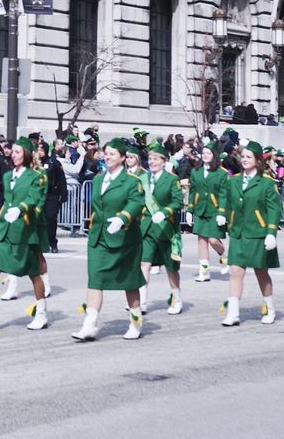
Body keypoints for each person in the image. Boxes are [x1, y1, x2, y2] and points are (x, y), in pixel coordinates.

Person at [0, 137, 48, 332]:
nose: (13, 155)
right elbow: (7, 198)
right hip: (6, 228)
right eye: (12, 152)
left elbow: (33, 198)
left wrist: (21, 209)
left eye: (18, 152)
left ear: (27, 154)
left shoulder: (35, 176)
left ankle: (41, 313)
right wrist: (4, 212)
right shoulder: (7, 176)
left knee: (34, 275)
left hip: (24, 230)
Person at [73, 138, 146, 342]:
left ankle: (135, 322)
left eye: (112, 153)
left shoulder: (132, 181)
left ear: (123, 158)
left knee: (129, 282)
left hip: (125, 239)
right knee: (95, 279)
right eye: (106, 152)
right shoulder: (98, 179)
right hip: (99, 237)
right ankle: (89, 325)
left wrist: (123, 218)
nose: (107, 156)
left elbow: (137, 202)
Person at [220, 146, 281, 326]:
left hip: (258, 234)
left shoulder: (267, 183)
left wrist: (271, 233)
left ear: (258, 160)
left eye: (248, 156)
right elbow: (227, 199)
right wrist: (223, 213)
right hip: (238, 232)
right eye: (243, 156)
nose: (244, 159)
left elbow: (274, 210)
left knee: (261, 272)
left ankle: (269, 307)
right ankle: (233, 313)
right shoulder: (234, 181)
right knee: (235, 271)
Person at [136, 139, 184, 315]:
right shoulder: (142, 178)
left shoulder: (171, 179)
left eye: (156, 159)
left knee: (170, 267)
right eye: (150, 158)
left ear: (164, 161)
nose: (152, 162)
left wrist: (165, 212)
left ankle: (177, 299)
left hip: (166, 228)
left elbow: (178, 201)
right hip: (147, 228)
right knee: (144, 263)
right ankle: (141, 302)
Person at [187, 144, 229, 283]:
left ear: (214, 155)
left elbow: (224, 194)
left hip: (215, 210)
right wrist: (190, 210)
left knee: (213, 239)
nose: (205, 155)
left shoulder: (221, 173)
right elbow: (192, 191)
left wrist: (222, 212)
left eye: (209, 153)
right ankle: (204, 271)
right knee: (202, 241)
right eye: (203, 153)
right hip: (200, 209)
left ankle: (223, 255)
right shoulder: (195, 171)